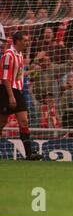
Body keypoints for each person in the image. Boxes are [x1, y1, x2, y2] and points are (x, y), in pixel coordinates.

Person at [0, 31, 42, 160]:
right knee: (2, 122)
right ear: (17, 41)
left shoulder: (20, 55)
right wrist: (11, 96)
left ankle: (29, 154)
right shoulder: (9, 55)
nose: (27, 43)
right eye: (25, 40)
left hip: (18, 91)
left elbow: (17, 75)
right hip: (6, 91)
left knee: (24, 121)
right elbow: (5, 78)